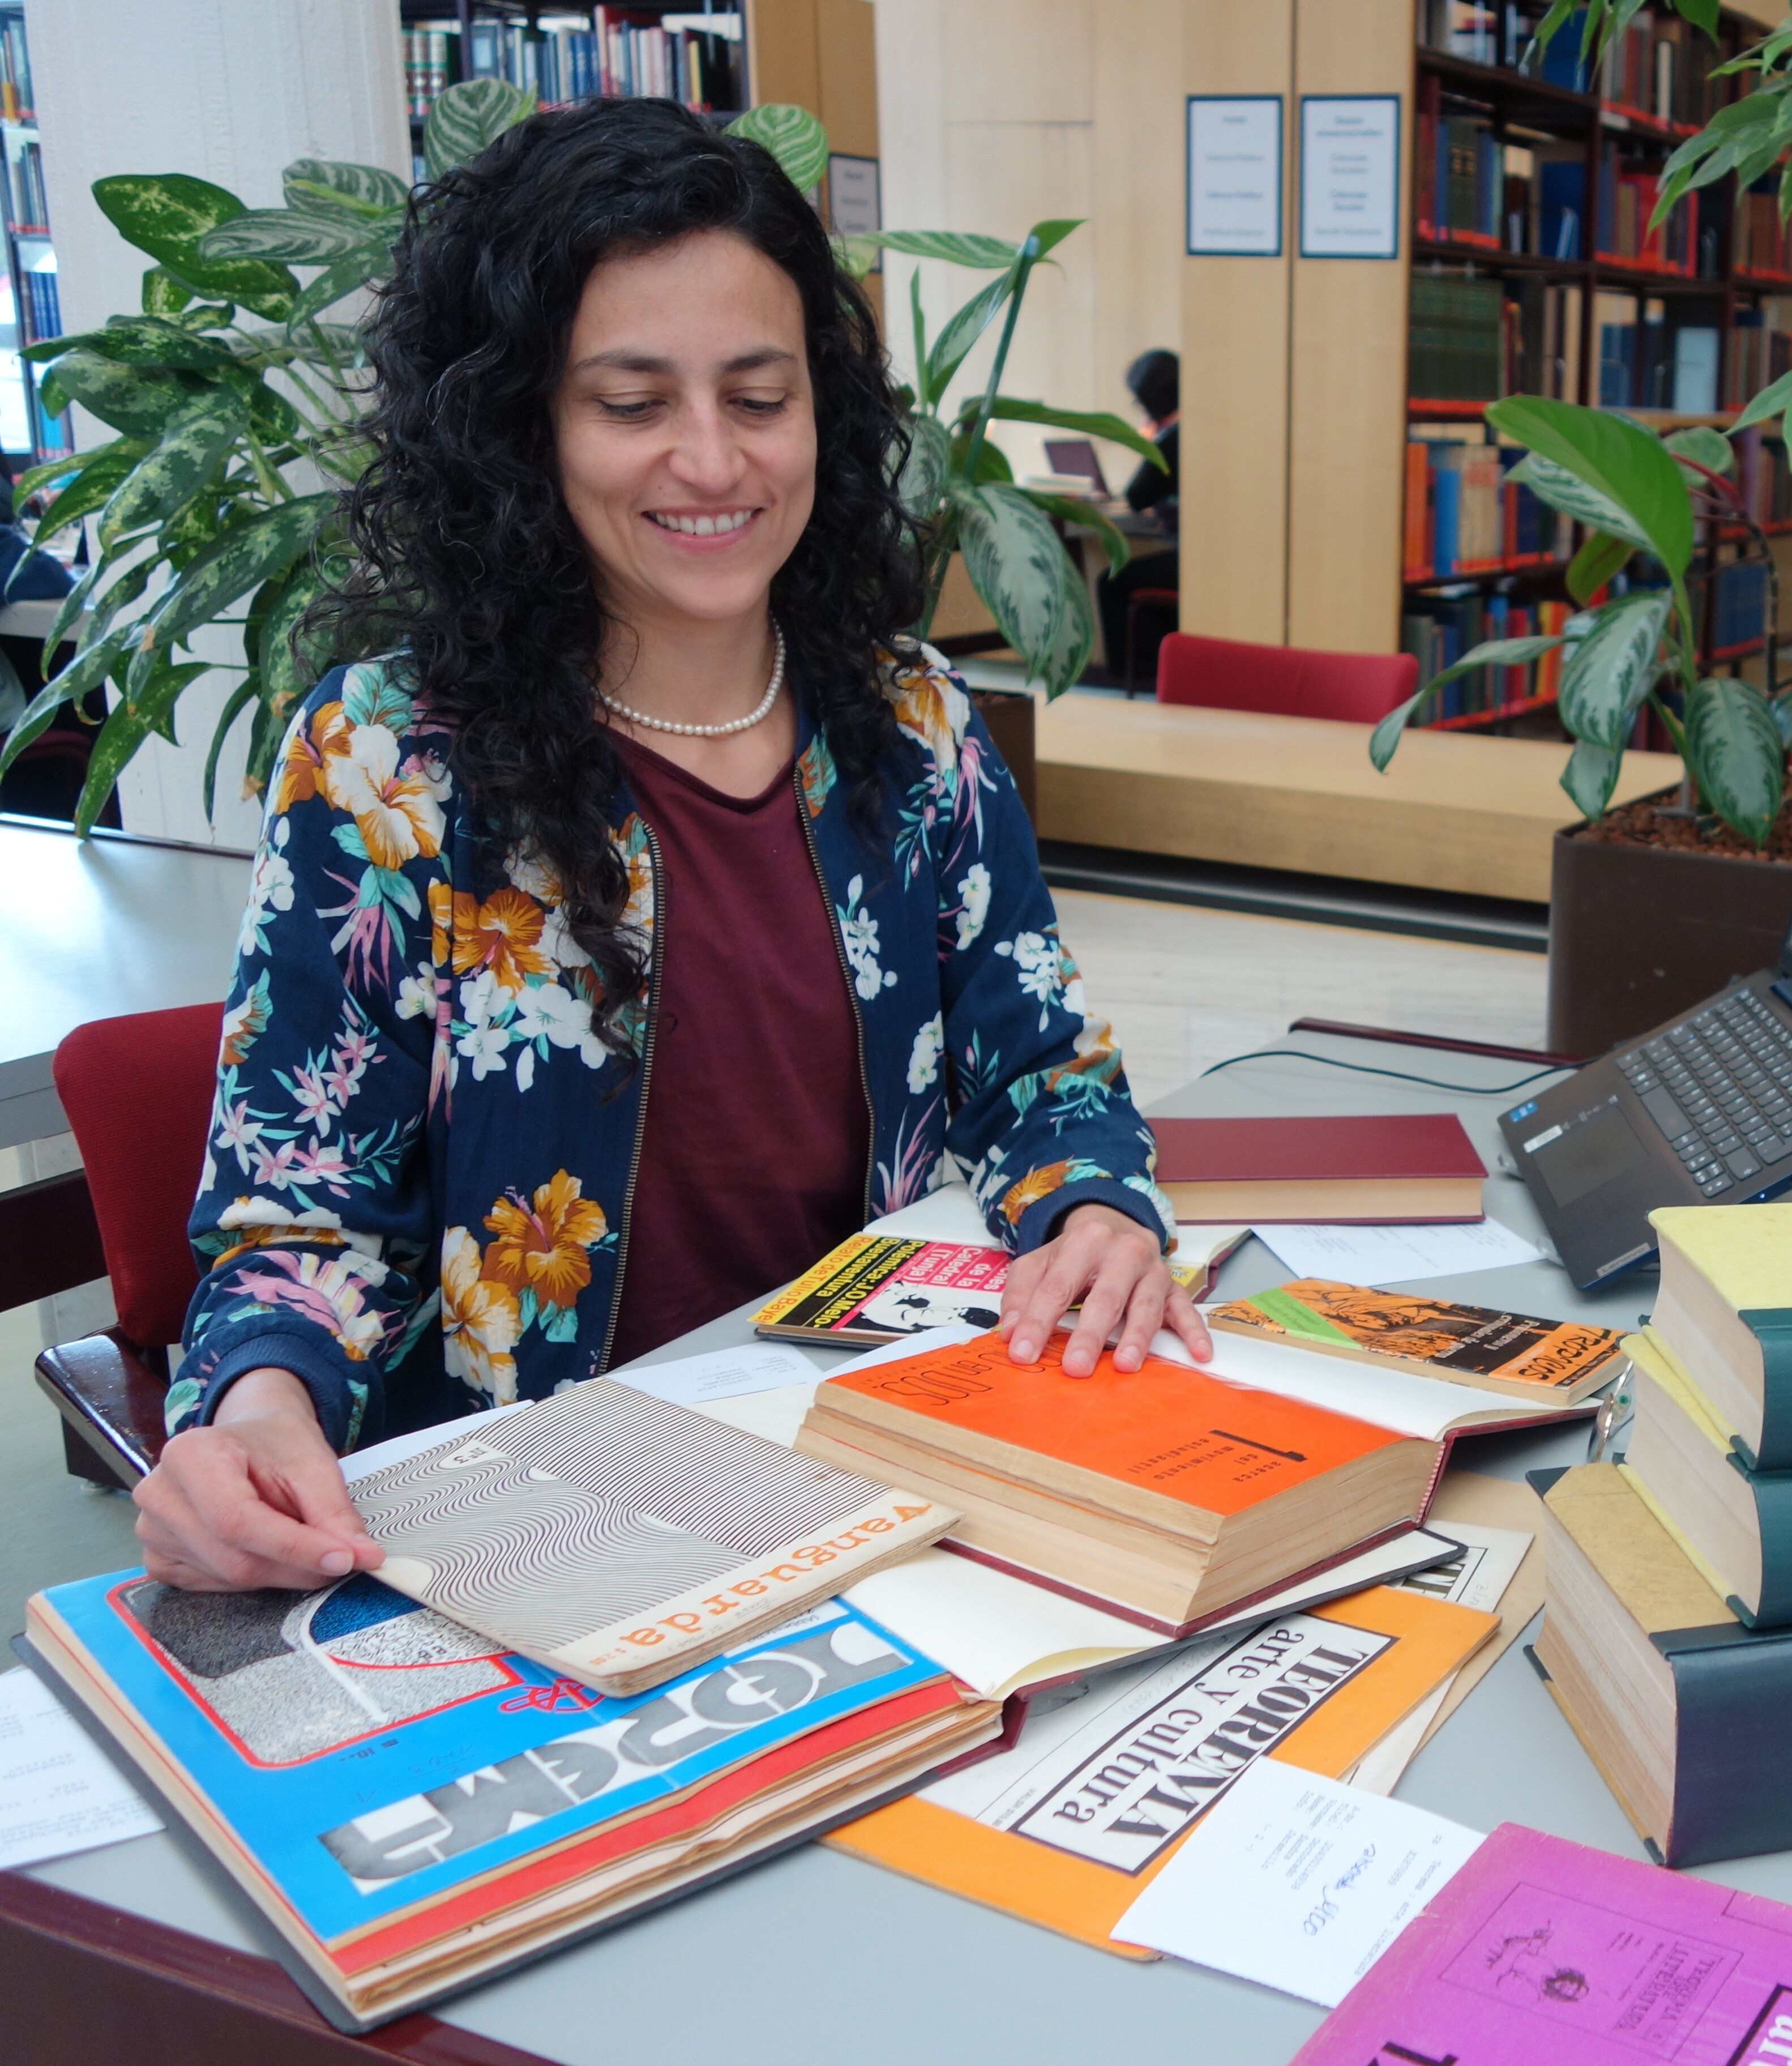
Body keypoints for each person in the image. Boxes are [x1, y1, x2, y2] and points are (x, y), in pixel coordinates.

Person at [135, 99, 1203, 1596]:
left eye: (758, 397)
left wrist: (1093, 1200)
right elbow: (299, 1214)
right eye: (633, 403)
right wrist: (253, 1412)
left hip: (878, 1475)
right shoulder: (388, 762)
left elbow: (1044, 1071)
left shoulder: (914, 722)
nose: (712, 461)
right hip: (532, 1536)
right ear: (524, 428)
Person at [1097, 347, 1178, 688]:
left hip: (1189, 561)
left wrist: (1151, 442)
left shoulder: (1174, 436)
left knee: (1111, 581)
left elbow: (1137, 495)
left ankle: (1137, 673)